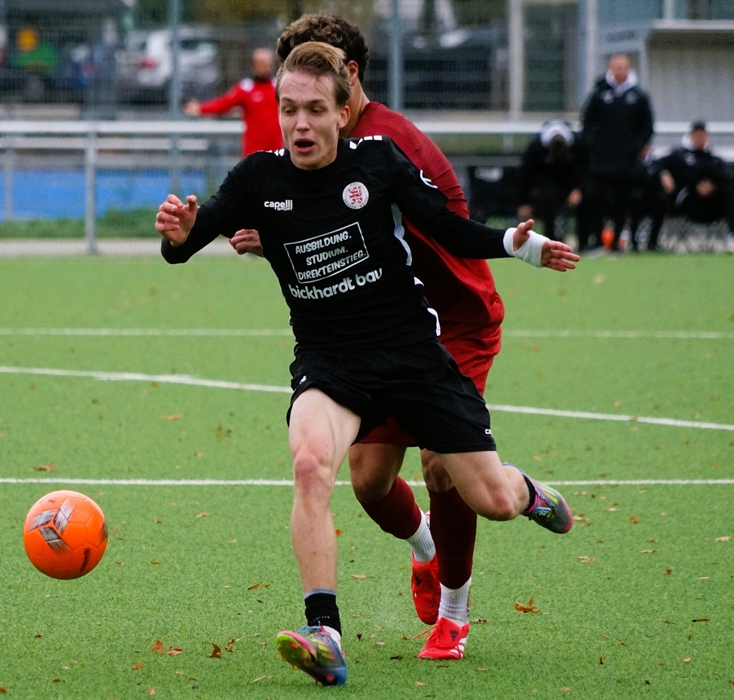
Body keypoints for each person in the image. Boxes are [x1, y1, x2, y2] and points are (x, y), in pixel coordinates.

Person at [156, 41, 579, 687]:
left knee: (490, 499)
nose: (300, 123)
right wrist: (180, 234)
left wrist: (515, 246)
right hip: (331, 364)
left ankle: (527, 492)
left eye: (314, 109)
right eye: (289, 109)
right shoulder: (257, 178)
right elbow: (189, 241)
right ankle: (324, 633)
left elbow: (446, 226)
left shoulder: (378, 161)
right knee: (311, 465)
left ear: (341, 110)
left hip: (412, 356)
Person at [231, 13, 507, 662]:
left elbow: (427, 232)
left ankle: (454, 612)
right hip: (375, 334)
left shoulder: (388, 144)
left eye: (318, 87)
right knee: (369, 481)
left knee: (442, 467)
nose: (303, 110)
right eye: (293, 94)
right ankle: (426, 548)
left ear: (347, 78)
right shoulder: (314, 148)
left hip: (452, 320)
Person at [579, 53, 654, 251]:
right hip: (601, 161)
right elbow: (587, 122)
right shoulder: (599, 94)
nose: (619, 71)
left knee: (623, 201)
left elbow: (647, 128)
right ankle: (597, 241)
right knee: (596, 198)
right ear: (611, 69)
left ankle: (616, 243)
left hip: (626, 162)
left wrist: (635, 148)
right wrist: (594, 145)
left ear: (628, 69)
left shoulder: (639, 96)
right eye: (616, 67)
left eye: (623, 67)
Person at [184, 48, 281, 157]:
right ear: (254, 66)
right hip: (254, 152)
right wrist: (201, 108)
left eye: (268, 64)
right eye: (262, 64)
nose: (266, 67)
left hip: (275, 151)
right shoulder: (246, 88)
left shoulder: (279, 87)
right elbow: (224, 104)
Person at [658, 121, 734, 231]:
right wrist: (664, 174)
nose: (700, 138)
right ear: (691, 136)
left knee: (731, 192)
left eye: (702, 135)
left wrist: (714, 186)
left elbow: (727, 177)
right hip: (687, 201)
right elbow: (658, 164)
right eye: (697, 135)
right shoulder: (679, 156)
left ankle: (733, 232)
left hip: (713, 203)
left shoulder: (714, 159)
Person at [517, 120, 587, 243]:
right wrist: (524, 203)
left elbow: (586, 169)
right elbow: (525, 175)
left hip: (570, 183)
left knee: (588, 201)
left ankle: (584, 241)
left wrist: (579, 189)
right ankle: (549, 240)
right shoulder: (535, 148)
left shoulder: (578, 145)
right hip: (545, 187)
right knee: (547, 202)